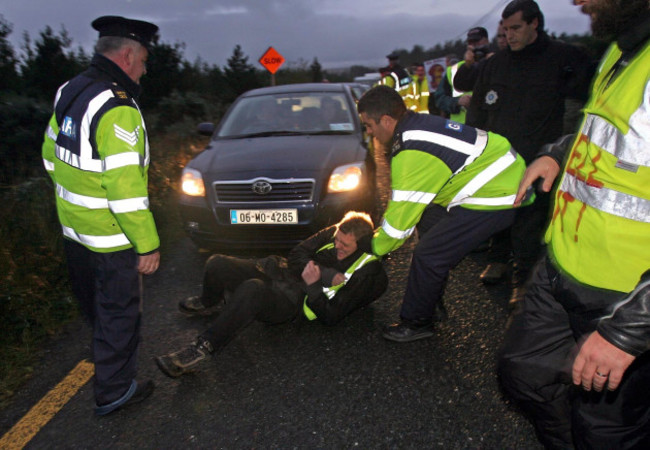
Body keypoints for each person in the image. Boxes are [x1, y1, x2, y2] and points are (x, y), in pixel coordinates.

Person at [498, 0, 650, 447]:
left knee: (607, 428)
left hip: (624, 298)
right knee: (523, 372)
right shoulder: (626, 48)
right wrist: (558, 151)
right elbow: (605, 134)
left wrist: (628, 333)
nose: (576, 1)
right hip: (563, 266)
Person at [41, 16, 160, 415]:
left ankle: (109, 368)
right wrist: (147, 245)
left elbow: (49, 153)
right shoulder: (118, 107)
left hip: (75, 231)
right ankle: (114, 391)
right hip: (111, 239)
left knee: (97, 307)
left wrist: (75, 200)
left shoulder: (71, 89)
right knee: (120, 314)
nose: (144, 69)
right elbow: (126, 193)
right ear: (127, 55)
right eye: (143, 60)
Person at [356, 86, 532, 342]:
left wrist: (371, 246)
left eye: (369, 125)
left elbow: (397, 226)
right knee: (428, 220)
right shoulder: (414, 124)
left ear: (386, 120)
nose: (368, 132)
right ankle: (430, 299)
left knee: (428, 254)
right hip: (501, 178)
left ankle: (416, 322)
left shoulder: (411, 150)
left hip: (497, 195)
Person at [465, 0, 594, 307]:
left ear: (535, 23)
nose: (510, 35)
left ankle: (522, 282)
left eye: (516, 28)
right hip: (499, 159)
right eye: (505, 29)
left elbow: (583, 106)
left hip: (540, 157)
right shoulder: (495, 65)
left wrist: (564, 148)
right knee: (498, 210)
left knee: (529, 221)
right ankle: (497, 258)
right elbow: (479, 111)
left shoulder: (565, 58)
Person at [155, 211, 388, 377]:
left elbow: (332, 316)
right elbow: (296, 254)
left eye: (344, 245)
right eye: (337, 240)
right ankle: (209, 301)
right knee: (217, 262)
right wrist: (325, 274)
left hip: (292, 301)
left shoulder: (365, 271)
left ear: (362, 244)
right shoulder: (334, 231)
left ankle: (201, 349)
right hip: (279, 271)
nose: (338, 246)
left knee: (253, 289)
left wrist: (314, 284)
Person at [434, 27, 491, 123]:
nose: (473, 46)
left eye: (477, 41)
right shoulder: (454, 70)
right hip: (461, 129)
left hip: (488, 126)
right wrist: (457, 102)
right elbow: (439, 99)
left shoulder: (496, 64)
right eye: (470, 43)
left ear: (487, 42)